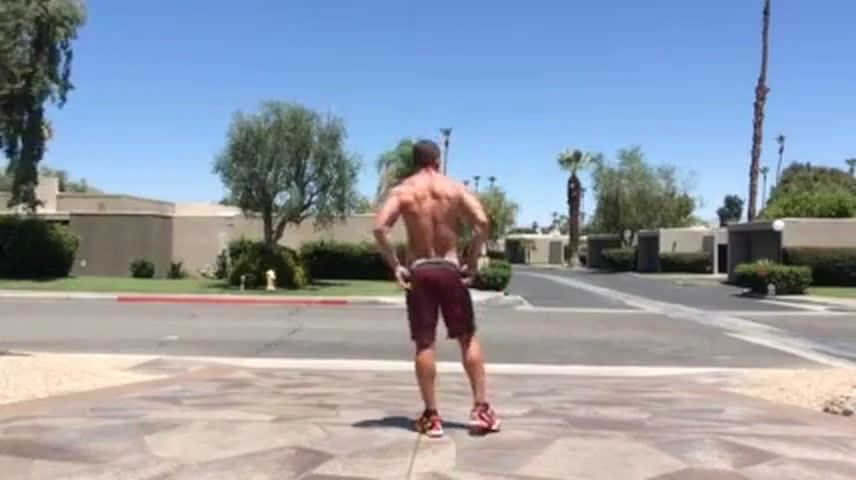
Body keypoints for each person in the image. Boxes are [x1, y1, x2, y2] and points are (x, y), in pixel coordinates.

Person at [373, 139, 501, 438]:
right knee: (467, 338)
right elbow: (482, 222)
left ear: (414, 161)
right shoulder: (454, 188)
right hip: (449, 268)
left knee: (424, 343)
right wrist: (472, 259)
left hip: (420, 270)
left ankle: (432, 416)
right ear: (437, 160)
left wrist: (396, 265)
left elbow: (379, 228)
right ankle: (481, 409)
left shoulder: (404, 190)